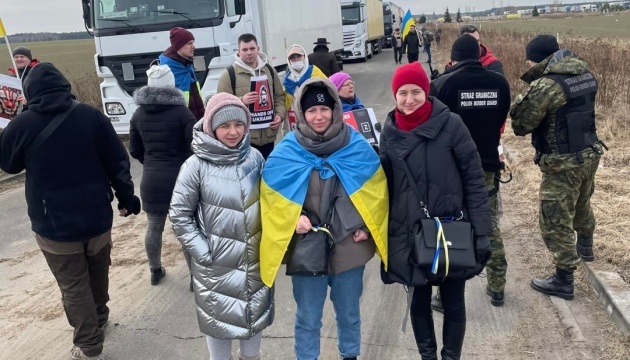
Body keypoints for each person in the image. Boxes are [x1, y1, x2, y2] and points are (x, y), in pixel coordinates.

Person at [0, 63, 141, 360]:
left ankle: (89, 344)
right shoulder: (92, 116)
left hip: (53, 225)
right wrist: (127, 197)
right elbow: (118, 161)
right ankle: (99, 320)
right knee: (98, 272)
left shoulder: (22, 125)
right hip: (97, 216)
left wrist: (15, 122)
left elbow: (9, 165)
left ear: (30, 92)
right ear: (64, 85)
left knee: (74, 285)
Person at [259, 78, 389, 360]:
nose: (319, 116)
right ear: (302, 114)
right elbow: (271, 198)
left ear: (335, 109)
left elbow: (375, 192)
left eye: (324, 110)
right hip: (307, 247)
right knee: (307, 317)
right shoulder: (287, 152)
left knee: (349, 314)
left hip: (350, 245)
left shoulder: (355, 145)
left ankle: (350, 355)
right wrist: (292, 219)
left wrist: (366, 226)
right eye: (311, 111)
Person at [379, 63, 491, 360]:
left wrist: (481, 232)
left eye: (416, 91)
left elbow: (475, 180)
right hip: (408, 232)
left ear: (426, 92)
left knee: (453, 302)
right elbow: (382, 186)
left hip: (448, 230)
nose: (409, 99)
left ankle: (451, 357)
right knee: (418, 303)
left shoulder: (452, 124)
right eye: (402, 93)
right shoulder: (389, 132)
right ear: (395, 96)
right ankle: (428, 357)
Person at [169, 92, 273, 360]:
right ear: (211, 126)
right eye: (225, 125)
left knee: (254, 319)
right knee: (218, 325)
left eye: (238, 124)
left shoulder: (255, 158)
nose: (233, 132)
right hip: (215, 266)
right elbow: (179, 215)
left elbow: (271, 204)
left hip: (254, 261)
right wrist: (204, 253)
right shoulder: (195, 166)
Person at [510, 35, 605, 300]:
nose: (527, 62)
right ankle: (585, 246)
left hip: (562, 162)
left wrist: (520, 100)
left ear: (537, 58)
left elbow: (521, 125)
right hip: (589, 152)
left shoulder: (547, 85)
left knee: (554, 219)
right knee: (583, 202)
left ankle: (564, 279)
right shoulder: (584, 73)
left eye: (529, 59)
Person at [429, 34, 511, 309]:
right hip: (486, 164)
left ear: (452, 58)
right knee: (489, 226)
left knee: (450, 225)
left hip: (450, 168)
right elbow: (501, 121)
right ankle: (497, 286)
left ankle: (444, 294)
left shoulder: (442, 84)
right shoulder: (499, 83)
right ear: (479, 55)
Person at [128, 64, 196, 287]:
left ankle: (155, 270)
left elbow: (135, 150)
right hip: (180, 179)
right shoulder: (183, 113)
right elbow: (194, 147)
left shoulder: (138, 114)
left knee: (154, 227)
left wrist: (150, 163)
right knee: (185, 229)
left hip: (151, 178)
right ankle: (195, 277)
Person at [217, 33, 285, 159]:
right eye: (245, 49)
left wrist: (279, 116)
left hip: (268, 137)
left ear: (258, 49)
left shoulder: (269, 70)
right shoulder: (229, 74)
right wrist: (242, 100)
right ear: (238, 51)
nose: (249, 53)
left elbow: (279, 97)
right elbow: (220, 105)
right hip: (243, 139)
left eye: (252, 49)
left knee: (267, 176)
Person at [158, 27, 205, 120]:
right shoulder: (166, 71)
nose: (193, 47)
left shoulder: (186, 65)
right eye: (189, 43)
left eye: (193, 42)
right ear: (178, 46)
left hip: (194, 120)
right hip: (181, 123)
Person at [283, 44, 327, 129]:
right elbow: (285, 104)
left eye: (298, 56)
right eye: (292, 57)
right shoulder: (287, 81)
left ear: (305, 57)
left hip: (314, 118)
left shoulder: (316, 73)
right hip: (295, 120)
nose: (296, 60)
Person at [7, 46, 39, 114]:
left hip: (33, 113)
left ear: (29, 59)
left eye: (22, 57)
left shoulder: (38, 74)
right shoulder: (12, 76)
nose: (19, 59)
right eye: (16, 57)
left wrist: (28, 99)